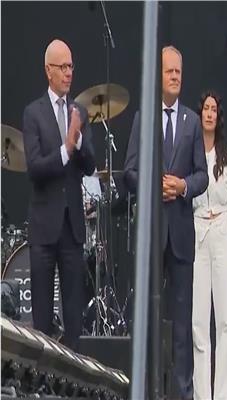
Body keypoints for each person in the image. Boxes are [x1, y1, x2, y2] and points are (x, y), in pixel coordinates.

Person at [124, 45, 209, 400]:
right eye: (169, 71)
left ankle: (182, 391)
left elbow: (202, 176)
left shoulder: (191, 121)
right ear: (158, 76)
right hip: (153, 233)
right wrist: (154, 184)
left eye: (178, 72)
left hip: (181, 236)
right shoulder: (144, 118)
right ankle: (147, 388)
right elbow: (129, 172)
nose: (175, 77)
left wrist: (183, 186)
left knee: (182, 320)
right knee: (148, 315)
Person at [22, 39, 96, 350]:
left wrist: (77, 141)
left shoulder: (79, 111)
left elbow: (90, 165)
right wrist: (65, 149)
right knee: (41, 317)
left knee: (74, 317)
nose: (68, 73)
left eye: (71, 66)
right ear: (48, 70)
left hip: (72, 227)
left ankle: (75, 374)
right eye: (62, 67)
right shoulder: (33, 113)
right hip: (44, 226)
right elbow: (35, 168)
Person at [191, 91, 227, 400]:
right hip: (198, 231)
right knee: (199, 321)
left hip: (222, 230)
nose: (209, 114)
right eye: (205, 108)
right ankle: (202, 394)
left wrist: (226, 236)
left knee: (226, 322)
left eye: (214, 109)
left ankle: (223, 394)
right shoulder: (192, 154)